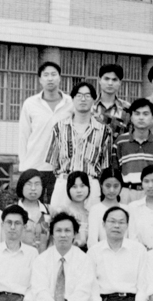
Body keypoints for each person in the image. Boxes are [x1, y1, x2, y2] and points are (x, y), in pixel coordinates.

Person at [47, 81, 110, 211]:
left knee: (91, 220)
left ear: (94, 100)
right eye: (79, 95)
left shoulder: (104, 131)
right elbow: (53, 162)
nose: (83, 99)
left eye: (87, 96)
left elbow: (105, 165)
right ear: (72, 99)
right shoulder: (59, 127)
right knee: (58, 220)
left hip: (90, 185)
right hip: (64, 183)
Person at [18, 61, 73, 203]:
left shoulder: (71, 103)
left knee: (59, 207)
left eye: (54, 74)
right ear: (40, 79)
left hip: (61, 168)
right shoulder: (30, 103)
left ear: (60, 78)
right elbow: (23, 135)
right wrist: (23, 165)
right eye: (46, 75)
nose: (50, 78)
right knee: (34, 206)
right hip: (35, 165)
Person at [112, 98, 153, 204]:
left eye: (145, 114)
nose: (141, 117)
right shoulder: (120, 142)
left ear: (152, 118)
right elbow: (115, 173)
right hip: (126, 193)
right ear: (131, 117)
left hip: (152, 193)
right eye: (137, 114)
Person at [87, 167, 128, 250]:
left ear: (121, 186)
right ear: (101, 185)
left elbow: (132, 239)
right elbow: (92, 240)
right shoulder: (95, 209)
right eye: (108, 186)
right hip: (101, 254)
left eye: (116, 186)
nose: (112, 190)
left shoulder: (127, 209)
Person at [93, 63, 131, 141]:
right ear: (99, 80)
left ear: (120, 82)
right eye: (106, 79)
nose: (110, 83)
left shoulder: (127, 109)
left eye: (114, 80)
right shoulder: (89, 106)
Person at [16, 169, 52, 252]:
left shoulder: (50, 211)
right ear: (21, 186)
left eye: (37, 184)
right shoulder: (13, 211)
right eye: (29, 184)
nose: (33, 188)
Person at [60, 171, 92, 249]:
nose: (79, 190)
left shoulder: (91, 214)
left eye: (82, 186)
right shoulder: (64, 212)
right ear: (68, 189)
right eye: (74, 187)